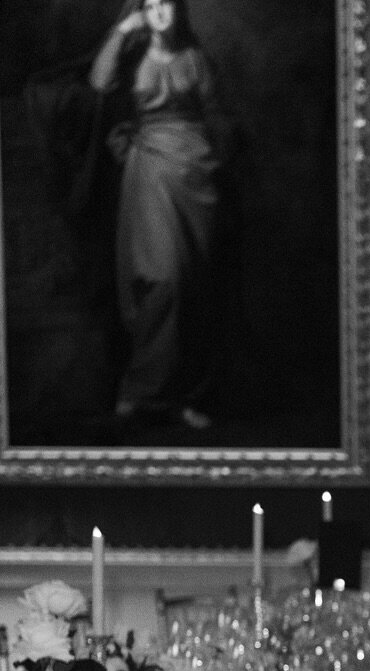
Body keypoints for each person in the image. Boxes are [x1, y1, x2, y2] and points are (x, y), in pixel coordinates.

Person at [88, 0, 221, 429]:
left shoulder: (196, 58)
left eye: (167, 3)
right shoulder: (132, 54)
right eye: (150, 4)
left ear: (178, 10)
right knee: (161, 277)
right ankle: (140, 389)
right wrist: (123, 31)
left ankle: (181, 397)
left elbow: (215, 113)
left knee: (195, 284)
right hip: (149, 169)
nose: (160, 11)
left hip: (194, 172)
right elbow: (99, 81)